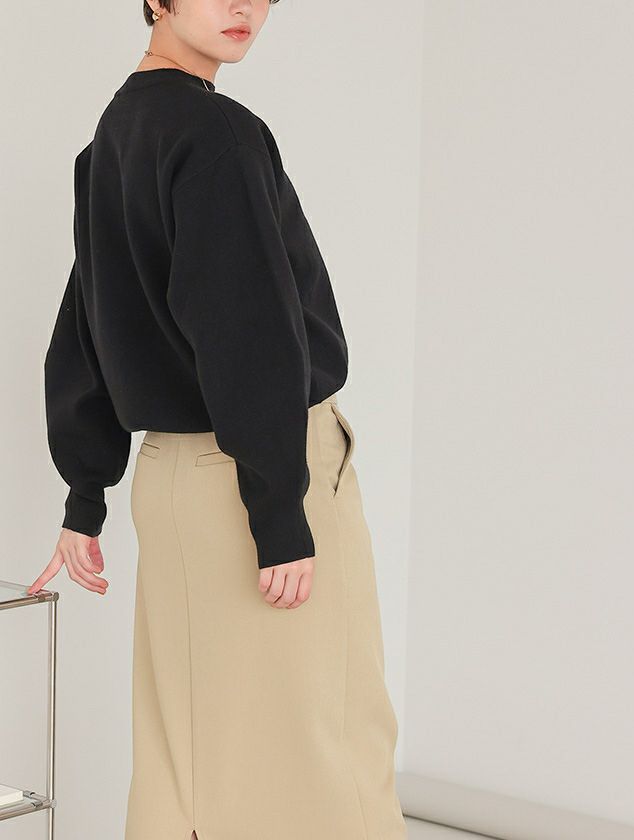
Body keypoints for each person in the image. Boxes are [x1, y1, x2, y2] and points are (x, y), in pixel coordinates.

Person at [29, 1, 407, 838]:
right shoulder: (217, 134)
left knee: (186, 763)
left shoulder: (113, 136)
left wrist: (86, 494)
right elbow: (247, 331)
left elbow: (87, 320)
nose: (243, 5)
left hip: (170, 483)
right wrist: (279, 513)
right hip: (256, 477)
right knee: (324, 752)